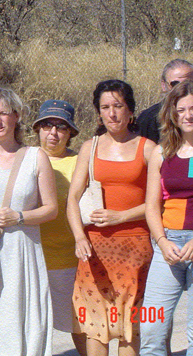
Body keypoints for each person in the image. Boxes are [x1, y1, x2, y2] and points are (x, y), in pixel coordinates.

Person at [0, 86, 58, 356]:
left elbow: (51, 209)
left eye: (4, 113)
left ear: (16, 116)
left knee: (19, 320)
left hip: (22, 254)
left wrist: (20, 216)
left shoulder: (35, 157)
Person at [67, 79, 156, 356]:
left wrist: (122, 216)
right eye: (105, 107)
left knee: (131, 325)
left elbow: (159, 202)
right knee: (95, 324)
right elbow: (72, 198)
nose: (112, 113)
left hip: (136, 249)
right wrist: (79, 237)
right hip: (94, 250)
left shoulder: (149, 148)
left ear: (130, 111)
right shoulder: (89, 147)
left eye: (118, 106)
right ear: (99, 112)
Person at [140, 80, 193, 355]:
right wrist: (161, 241)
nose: (188, 116)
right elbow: (151, 206)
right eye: (181, 110)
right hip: (167, 245)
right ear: (173, 114)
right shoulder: (161, 153)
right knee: (151, 325)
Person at [32, 100, 87, 356]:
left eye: (61, 127)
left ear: (70, 132)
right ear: (37, 129)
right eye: (47, 125)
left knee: (81, 324)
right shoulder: (25, 158)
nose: (53, 133)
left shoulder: (80, 162)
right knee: (35, 327)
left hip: (70, 259)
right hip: (32, 258)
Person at [137, 59, 193, 143]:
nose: (181, 88)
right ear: (163, 85)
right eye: (175, 84)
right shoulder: (149, 119)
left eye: (187, 83)